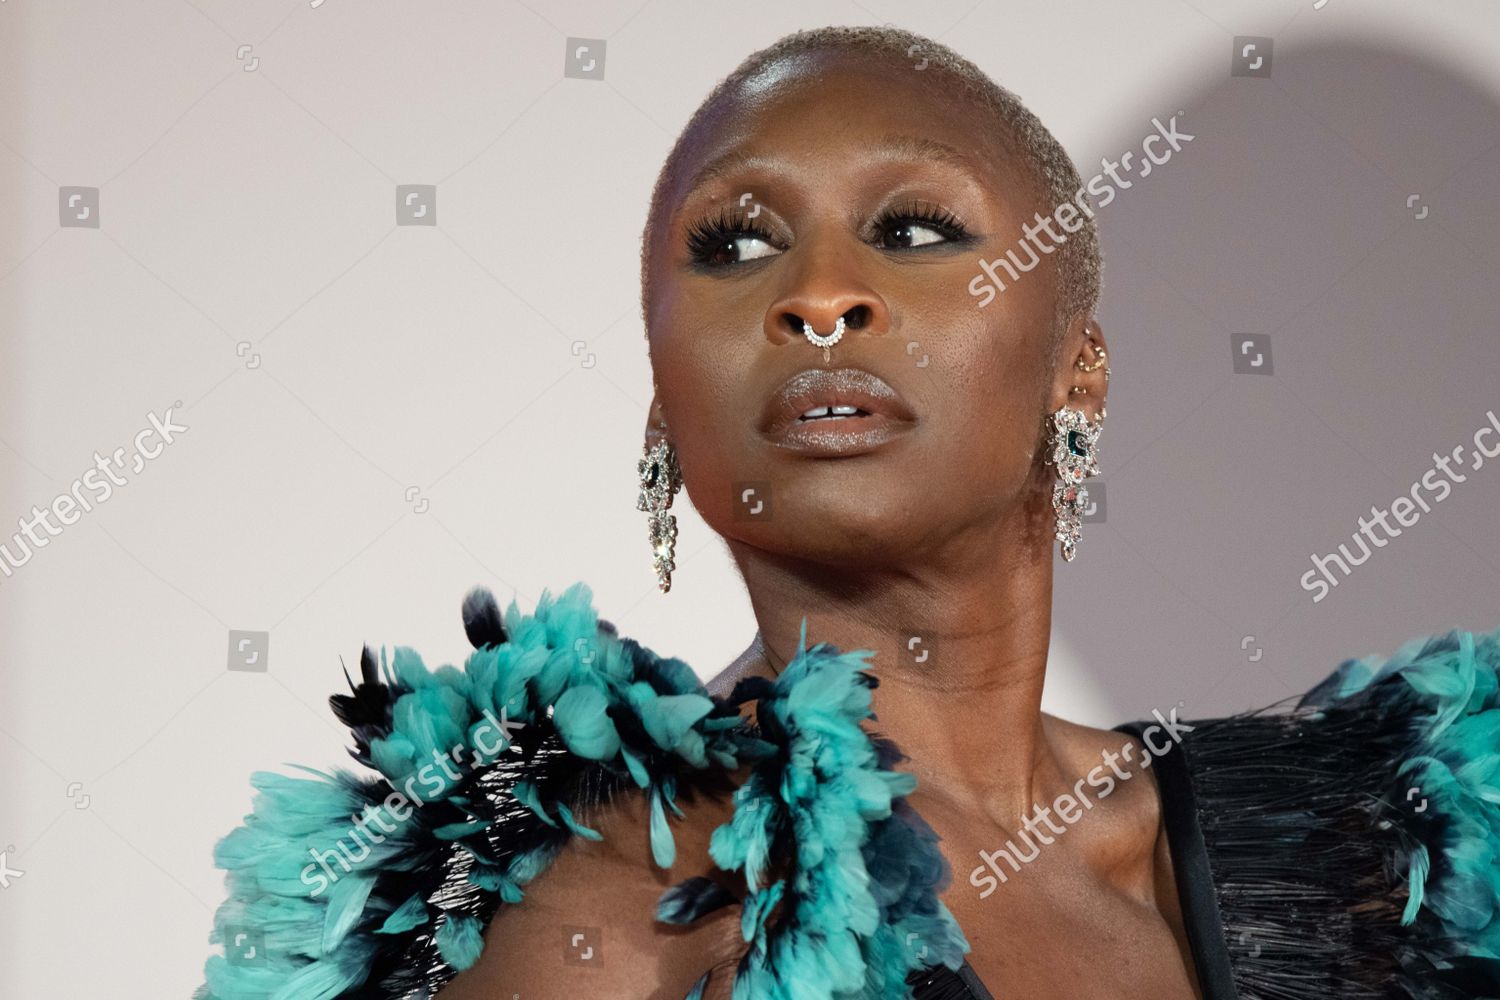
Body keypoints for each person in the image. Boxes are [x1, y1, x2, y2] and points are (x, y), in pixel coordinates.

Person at [192, 25, 1500, 1000]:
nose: (819, 295)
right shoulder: (615, 895)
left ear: (1077, 366)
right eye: (736, 245)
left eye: (917, 230)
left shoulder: (1388, 853)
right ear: (664, 407)